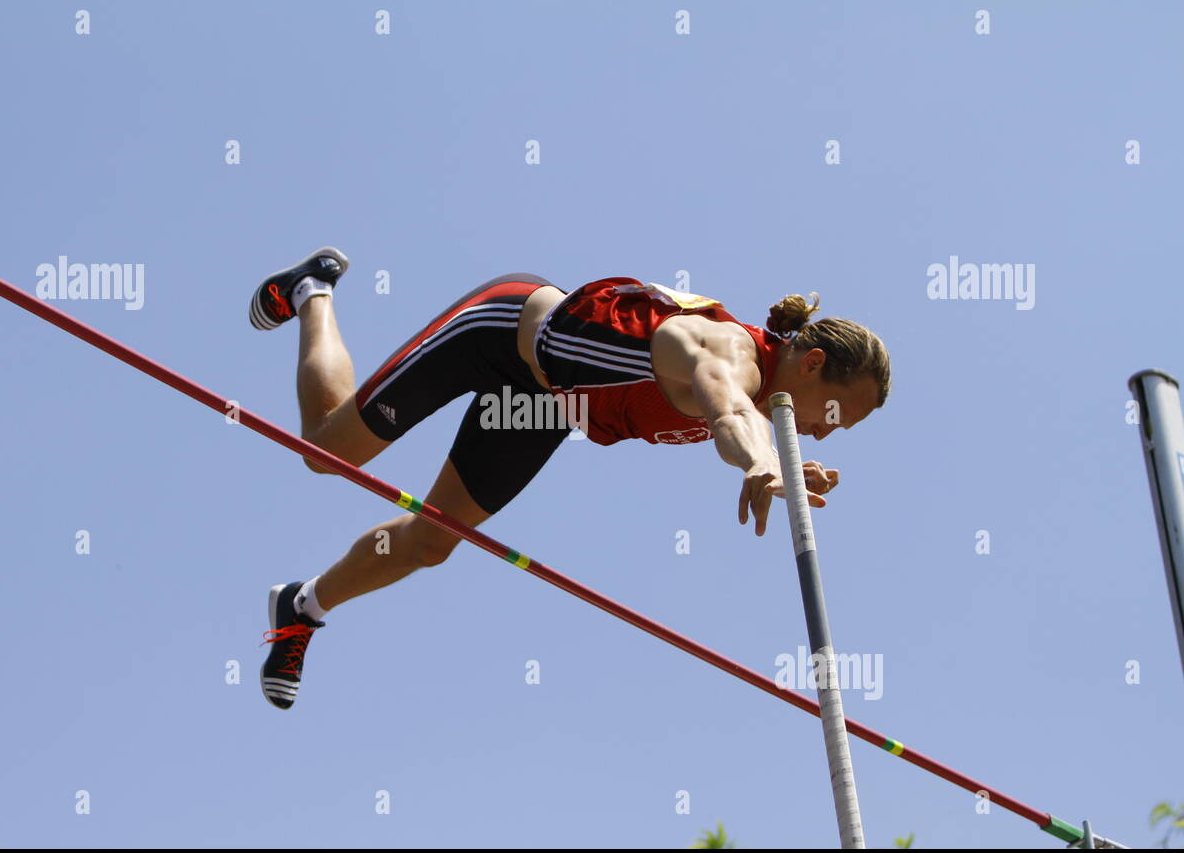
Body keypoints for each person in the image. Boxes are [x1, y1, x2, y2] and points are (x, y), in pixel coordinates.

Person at [248, 247, 891, 709]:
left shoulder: (765, 402)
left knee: (430, 542)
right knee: (327, 451)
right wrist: (763, 461)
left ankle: (300, 608)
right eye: (835, 415)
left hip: (544, 406)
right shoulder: (727, 353)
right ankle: (312, 291)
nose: (827, 432)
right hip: (499, 333)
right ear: (809, 365)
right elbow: (724, 409)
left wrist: (771, 456)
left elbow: (738, 420)